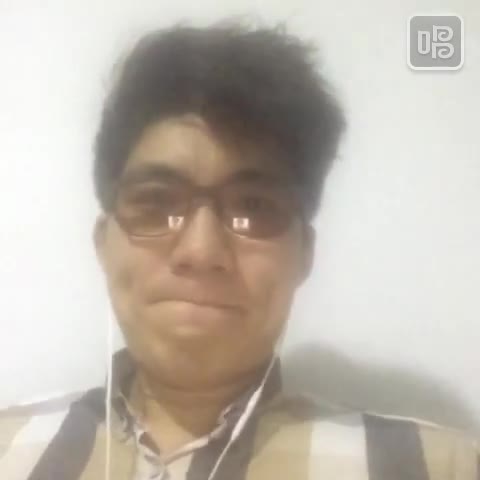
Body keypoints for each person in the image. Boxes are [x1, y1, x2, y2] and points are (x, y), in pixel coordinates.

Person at [1, 19, 478, 480]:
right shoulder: (10, 447)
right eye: (156, 203)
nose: (201, 250)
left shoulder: (434, 467)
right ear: (103, 243)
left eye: (254, 207)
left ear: (304, 254)